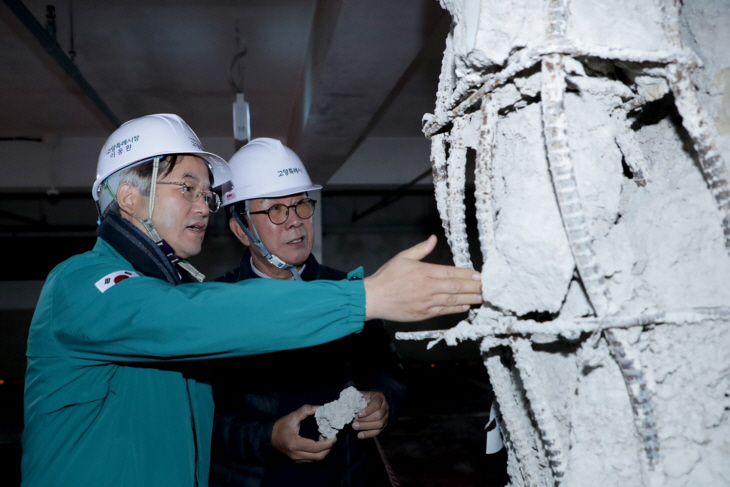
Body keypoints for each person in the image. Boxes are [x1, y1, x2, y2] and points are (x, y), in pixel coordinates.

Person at [20, 114, 482, 487]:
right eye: (187, 188)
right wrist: (366, 296)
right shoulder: (81, 284)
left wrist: (382, 394)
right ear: (129, 197)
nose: (204, 205)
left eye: (207, 194)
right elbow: (192, 318)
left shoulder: (173, 292)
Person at [209, 138, 405, 487]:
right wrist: (268, 436)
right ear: (240, 230)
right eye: (275, 210)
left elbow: (386, 369)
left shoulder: (350, 292)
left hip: (346, 477)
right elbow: (202, 418)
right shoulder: (214, 307)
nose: (296, 222)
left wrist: (383, 399)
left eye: (300, 204)